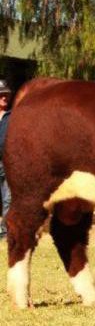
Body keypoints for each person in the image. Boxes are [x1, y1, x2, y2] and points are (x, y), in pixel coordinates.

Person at [0, 80, 11, 240]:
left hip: (8, 162)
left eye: (6, 94)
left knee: (8, 198)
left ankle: (7, 230)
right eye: (1, 94)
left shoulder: (13, 116)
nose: (4, 97)